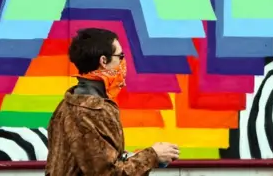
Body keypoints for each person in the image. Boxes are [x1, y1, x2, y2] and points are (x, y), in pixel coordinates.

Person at [45, 27, 179, 175]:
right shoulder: (90, 112)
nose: (123, 62)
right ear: (103, 60)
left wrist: (132, 157)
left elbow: (94, 161)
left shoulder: (66, 105)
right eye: (120, 56)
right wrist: (152, 155)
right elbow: (108, 173)